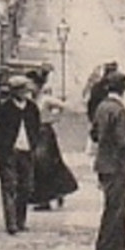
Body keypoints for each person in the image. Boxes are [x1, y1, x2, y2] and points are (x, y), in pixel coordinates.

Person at [91, 71, 125, 250]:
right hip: (116, 164)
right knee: (114, 208)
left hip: (103, 163)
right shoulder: (119, 110)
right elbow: (123, 140)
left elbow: (94, 134)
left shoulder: (101, 107)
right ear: (122, 89)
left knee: (116, 207)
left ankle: (119, 248)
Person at [0, 75, 41, 234]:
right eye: (21, 90)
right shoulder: (4, 108)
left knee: (26, 187)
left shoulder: (32, 108)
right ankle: (11, 223)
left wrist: (34, 144)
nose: (24, 93)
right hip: (8, 152)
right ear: (14, 91)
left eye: (25, 90)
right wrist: (0, 148)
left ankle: (21, 220)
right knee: (9, 185)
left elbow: (37, 127)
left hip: (27, 151)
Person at [29, 68, 78, 211]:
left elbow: (66, 107)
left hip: (45, 133)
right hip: (34, 133)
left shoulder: (46, 99)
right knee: (39, 166)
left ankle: (50, 197)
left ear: (38, 85)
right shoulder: (30, 99)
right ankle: (53, 195)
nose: (29, 88)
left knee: (45, 165)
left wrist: (55, 117)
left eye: (31, 85)